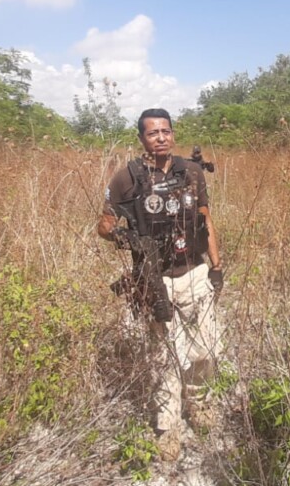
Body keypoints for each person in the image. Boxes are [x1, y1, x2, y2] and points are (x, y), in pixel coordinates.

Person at [97, 108, 224, 462]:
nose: (161, 138)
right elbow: (103, 226)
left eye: (165, 131)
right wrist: (124, 237)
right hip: (157, 280)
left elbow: (205, 219)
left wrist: (216, 266)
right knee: (166, 358)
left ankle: (198, 403)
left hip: (195, 272)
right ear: (141, 139)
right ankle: (168, 428)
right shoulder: (128, 178)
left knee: (207, 349)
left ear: (173, 134)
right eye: (153, 133)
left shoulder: (192, 172)